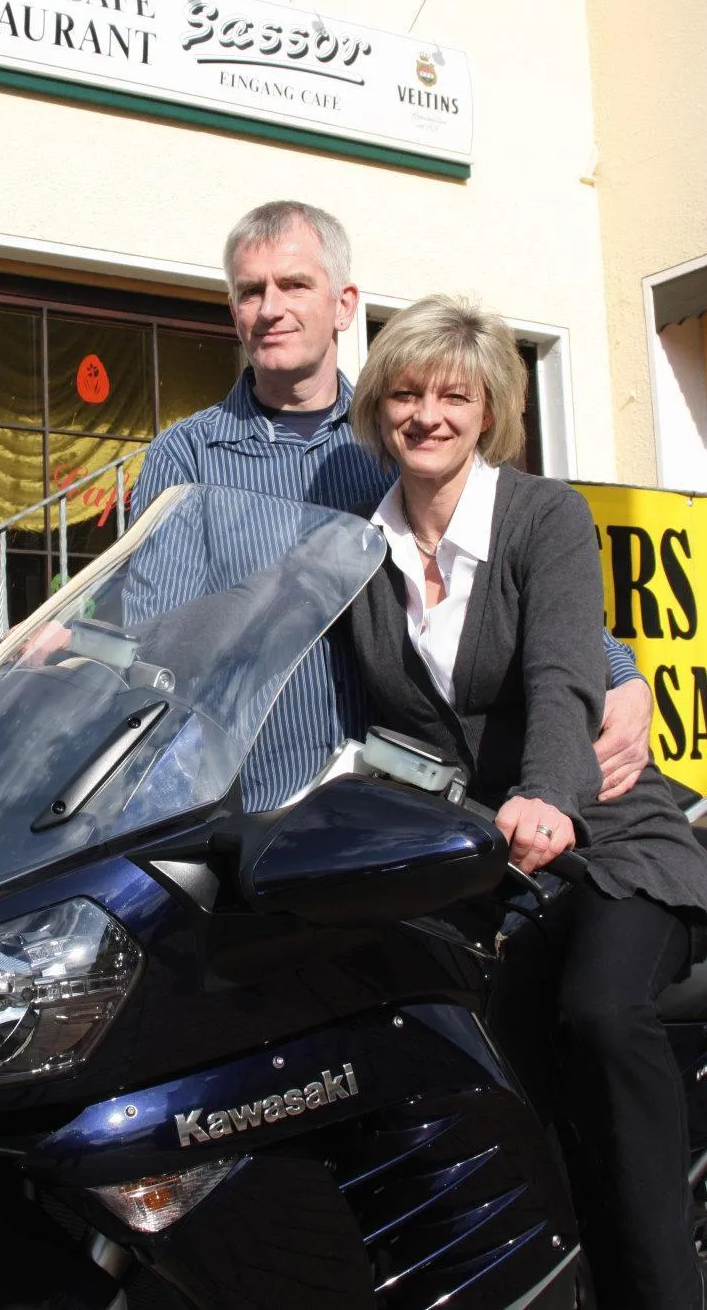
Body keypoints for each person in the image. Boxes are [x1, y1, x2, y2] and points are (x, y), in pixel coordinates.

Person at [348, 293, 707, 1309]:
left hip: (604, 824)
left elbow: (562, 675)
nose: (428, 414)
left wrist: (548, 795)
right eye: (408, 392)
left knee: (599, 1013)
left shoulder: (541, 517)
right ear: (380, 406)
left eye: (452, 395)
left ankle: (660, 1289)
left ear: (490, 408)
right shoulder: (356, 543)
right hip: (481, 848)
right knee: (477, 1057)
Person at [130, 200, 651, 808]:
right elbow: (155, 640)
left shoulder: (404, 442)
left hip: (401, 804)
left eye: (295, 284)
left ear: (344, 304)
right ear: (233, 312)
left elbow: (519, 592)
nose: (271, 308)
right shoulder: (188, 458)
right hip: (251, 807)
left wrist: (626, 677)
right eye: (251, 292)